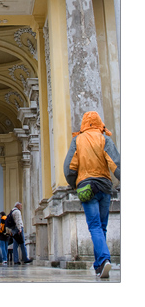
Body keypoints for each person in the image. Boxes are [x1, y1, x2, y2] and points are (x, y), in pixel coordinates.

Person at [64, 110, 120, 279]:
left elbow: (69, 167)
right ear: (98, 122)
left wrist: (75, 184)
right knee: (102, 226)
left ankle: (104, 259)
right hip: (104, 186)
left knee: (94, 226)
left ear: (84, 123)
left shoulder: (78, 140)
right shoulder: (104, 138)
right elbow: (115, 163)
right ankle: (99, 266)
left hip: (86, 187)